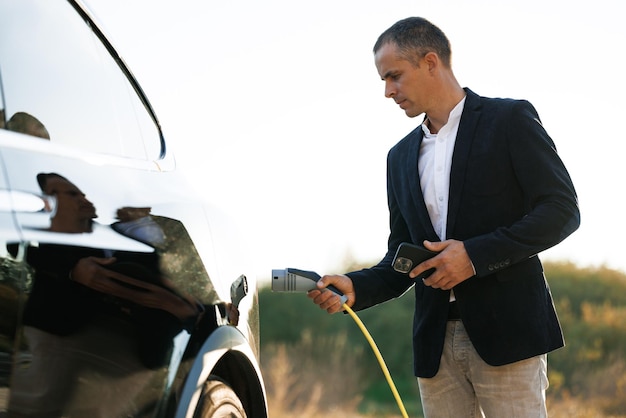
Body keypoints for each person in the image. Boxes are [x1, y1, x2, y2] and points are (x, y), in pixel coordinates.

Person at [307, 17, 580, 418]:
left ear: (431, 62)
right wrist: (355, 286)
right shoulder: (398, 157)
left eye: (394, 76)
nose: (387, 91)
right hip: (434, 346)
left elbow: (561, 210)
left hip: (509, 333)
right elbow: (402, 259)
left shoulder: (509, 121)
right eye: (384, 80)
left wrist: (473, 256)